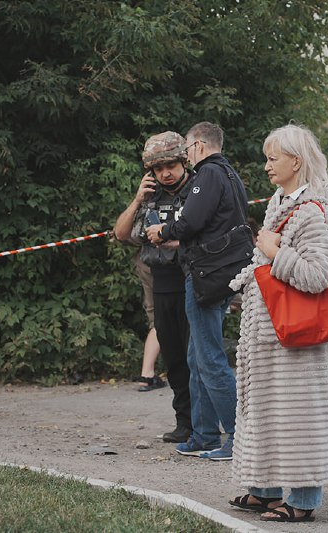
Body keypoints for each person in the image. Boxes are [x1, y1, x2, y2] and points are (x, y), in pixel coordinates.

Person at [224, 124, 328, 523]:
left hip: (296, 337)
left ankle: (304, 499)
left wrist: (273, 250)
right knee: (266, 409)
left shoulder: (314, 210)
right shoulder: (283, 201)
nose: (266, 166)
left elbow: (318, 276)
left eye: (273, 158)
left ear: (296, 161)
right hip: (271, 334)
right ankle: (264, 490)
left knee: (300, 416)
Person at [146, 122, 246, 460]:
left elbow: (191, 222)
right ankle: (203, 434)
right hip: (221, 273)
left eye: (187, 149)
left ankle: (238, 437)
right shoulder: (231, 175)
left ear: (199, 146)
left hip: (205, 275)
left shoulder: (209, 175)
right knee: (196, 356)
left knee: (211, 359)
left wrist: (164, 231)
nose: (187, 156)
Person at [114, 131, 193, 443]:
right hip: (161, 282)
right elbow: (121, 234)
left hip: (192, 279)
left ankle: (208, 423)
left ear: (183, 161)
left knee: (196, 357)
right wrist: (138, 199)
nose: (165, 173)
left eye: (171, 165)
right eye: (158, 169)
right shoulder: (151, 198)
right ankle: (185, 422)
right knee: (173, 357)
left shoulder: (198, 191)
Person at [131, 254, 166, 392]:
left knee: (157, 319)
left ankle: (146, 375)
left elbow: (121, 235)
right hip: (171, 267)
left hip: (145, 261)